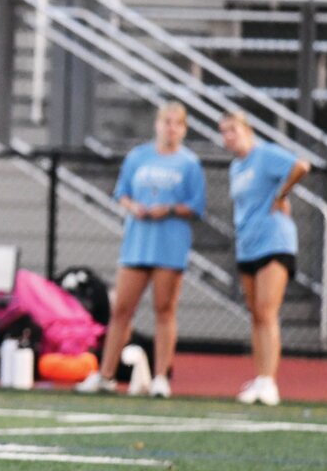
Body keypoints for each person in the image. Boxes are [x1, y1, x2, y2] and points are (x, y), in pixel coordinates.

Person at [76, 102, 206, 398]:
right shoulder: (138, 157)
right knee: (121, 310)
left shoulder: (189, 163)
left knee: (164, 309)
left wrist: (169, 209)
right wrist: (135, 207)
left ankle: (161, 377)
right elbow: (122, 193)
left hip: (169, 244)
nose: (170, 128)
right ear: (157, 124)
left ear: (183, 129)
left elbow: (196, 206)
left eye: (177, 123)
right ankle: (105, 375)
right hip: (138, 243)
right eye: (166, 121)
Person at [221, 112, 311, 407]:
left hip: (274, 241)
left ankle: (270, 381)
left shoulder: (265, 154)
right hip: (248, 244)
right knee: (256, 314)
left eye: (233, 129)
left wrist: (281, 195)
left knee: (267, 309)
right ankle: (260, 378)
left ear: (246, 129)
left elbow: (300, 166)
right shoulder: (236, 167)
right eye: (224, 132)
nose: (228, 137)